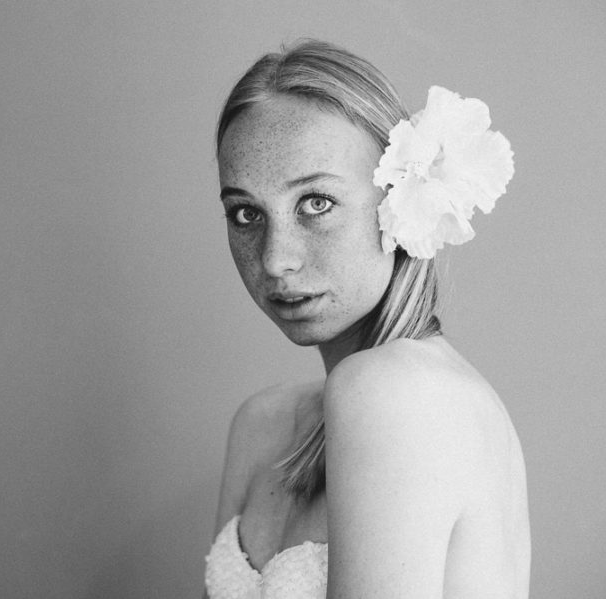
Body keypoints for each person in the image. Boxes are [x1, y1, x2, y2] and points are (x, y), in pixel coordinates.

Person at [204, 39, 530, 599]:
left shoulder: (395, 391)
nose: (275, 259)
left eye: (316, 203)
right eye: (246, 213)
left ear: (399, 199)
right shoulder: (261, 425)